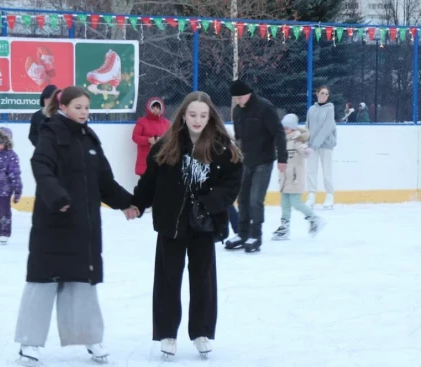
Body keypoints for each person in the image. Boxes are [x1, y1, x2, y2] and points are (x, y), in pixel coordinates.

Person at [14, 86, 138, 364]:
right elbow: (41, 166)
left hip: (84, 225)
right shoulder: (51, 133)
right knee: (42, 282)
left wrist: (127, 203)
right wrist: (57, 196)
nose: (84, 112)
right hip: (54, 222)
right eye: (78, 107)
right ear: (64, 107)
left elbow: (104, 182)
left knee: (83, 281)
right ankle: (29, 343)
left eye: (86, 107)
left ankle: (91, 338)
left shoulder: (89, 139)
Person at [131, 91, 242, 358]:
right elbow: (149, 181)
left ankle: (201, 331)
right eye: (192, 114)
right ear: (183, 114)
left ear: (210, 117)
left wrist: (209, 202)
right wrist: (137, 203)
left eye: (203, 115)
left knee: (203, 279)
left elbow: (232, 184)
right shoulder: (166, 145)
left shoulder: (221, 147)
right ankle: (167, 333)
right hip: (172, 222)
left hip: (204, 224)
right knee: (168, 279)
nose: (197, 119)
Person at [225, 80, 287, 253]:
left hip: (264, 160)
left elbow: (279, 133)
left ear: (248, 93)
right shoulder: (237, 111)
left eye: (239, 97)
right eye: (235, 98)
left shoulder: (264, 108)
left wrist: (283, 158)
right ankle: (242, 234)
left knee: (255, 200)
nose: (237, 101)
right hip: (246, 161)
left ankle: (255, 236)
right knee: (243, 198)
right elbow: (238, 137)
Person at [271, 114, 324, 240]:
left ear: (293, 129)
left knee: (296, 202)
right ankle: (285, 227)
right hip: (284, 178)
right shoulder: (282, 140)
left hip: (295, 179)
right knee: (284, 203)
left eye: (287, 128)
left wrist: (306, 151)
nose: (284, 130)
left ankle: (314, 219)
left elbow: (302, 149)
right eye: (283, 127)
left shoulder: (297, 140)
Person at [305, 86, 337, 210]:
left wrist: (314, 144)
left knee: (326, 171)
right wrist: (307, 142)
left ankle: (329, 195)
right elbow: (307, 127)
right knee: (311, 171)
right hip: (312, 146)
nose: (324, 95)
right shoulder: (311, 109)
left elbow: (327, 128)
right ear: (317, 94)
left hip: (326, 145)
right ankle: (311, 196)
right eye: (322, 93)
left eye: (326, 94)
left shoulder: (330, 109)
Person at [132, 97, 171, 176]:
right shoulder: (142, 121)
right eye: (153, 107)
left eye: (157, 107)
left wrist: (162, 140)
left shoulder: (166, 123)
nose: (155, 109)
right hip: (145, 159)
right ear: (149, 108)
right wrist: (148, 140)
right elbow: (135, 137)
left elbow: (171, 138)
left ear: (161, 109)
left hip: (161, 158)